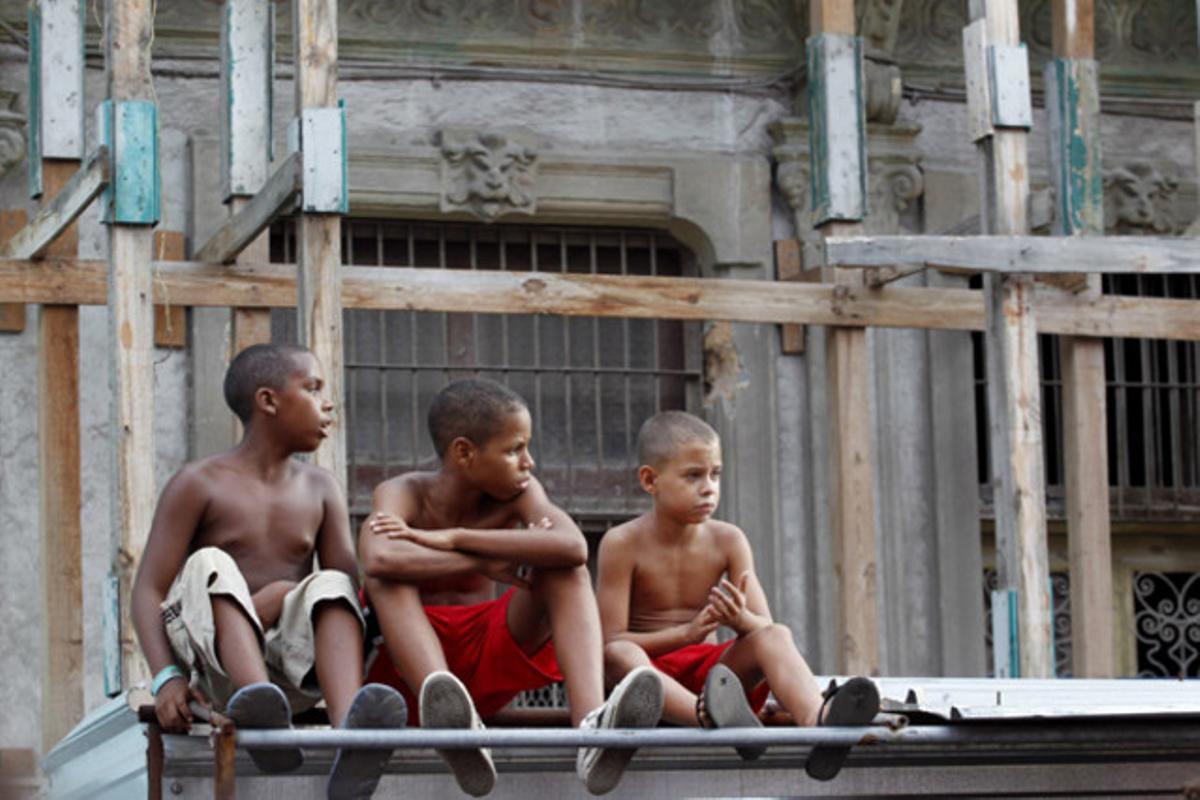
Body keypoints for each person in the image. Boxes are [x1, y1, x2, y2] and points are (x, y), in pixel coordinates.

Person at [361, 378, 663, 797]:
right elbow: (379, 559)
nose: (529, 462)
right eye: (514, 449)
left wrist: (455, 538)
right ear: (464, 452)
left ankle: (591, 729)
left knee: (563, 570)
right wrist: (487, 559)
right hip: (412, 673)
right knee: (386, 579)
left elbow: (572, 547)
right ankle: (452, 719)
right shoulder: (401, 492)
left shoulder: (519, 492)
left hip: (486, 653)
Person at [131, 343, 407, 800]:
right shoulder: (199, 482)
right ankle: (256, 698)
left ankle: (349, 734)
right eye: (313, 388)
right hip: (215, 673)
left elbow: (348, 603)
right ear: (268, 401)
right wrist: (166, 678)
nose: (328, 402)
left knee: (335, 584)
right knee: (211, 563)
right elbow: (147, 590)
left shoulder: (321, 488)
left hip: (291, 673)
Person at [596, 410, 880, 780]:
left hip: (718, 683)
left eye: (715, 474)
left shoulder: (729, 540)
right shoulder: (622, 543)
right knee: (617, 653)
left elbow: (762, 625)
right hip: (652, 683)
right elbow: (610, 640)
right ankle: (707, 715)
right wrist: (687, 634)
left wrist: (739, 620)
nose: (709, 487)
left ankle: (819, 723)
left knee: (775, 635)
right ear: (650, 480)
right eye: (693, 475)